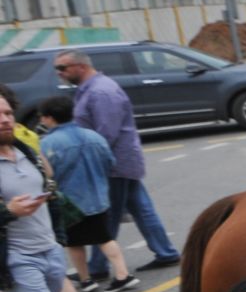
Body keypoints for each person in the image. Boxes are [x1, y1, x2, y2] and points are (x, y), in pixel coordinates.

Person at [0, 92, 130, 292]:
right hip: (15, 259)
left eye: (6, 113)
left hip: (48, 250)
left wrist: (55, 226)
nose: (5, 119)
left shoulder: (24, 151)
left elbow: (49, 188)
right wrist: (8, 211)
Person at [53, 49, 179, 276]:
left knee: (107, 215)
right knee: (141, 208)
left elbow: (106, 134)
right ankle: (166, 252)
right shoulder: (90, 89)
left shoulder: (101, 92)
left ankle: (98, 267)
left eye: (62, 68)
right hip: (119, 162)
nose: (59, 73)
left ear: (80, 66)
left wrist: (91, 164)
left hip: (114, 165)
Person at [37, 96, 136, 292]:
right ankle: (122, 274)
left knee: (74, 243)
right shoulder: (93, 136)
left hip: (70, 202)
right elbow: (110, 162)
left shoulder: (48, 143)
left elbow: (47, 174)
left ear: (49, 118)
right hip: (98, 197)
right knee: (105, 238)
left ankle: (86, 279)